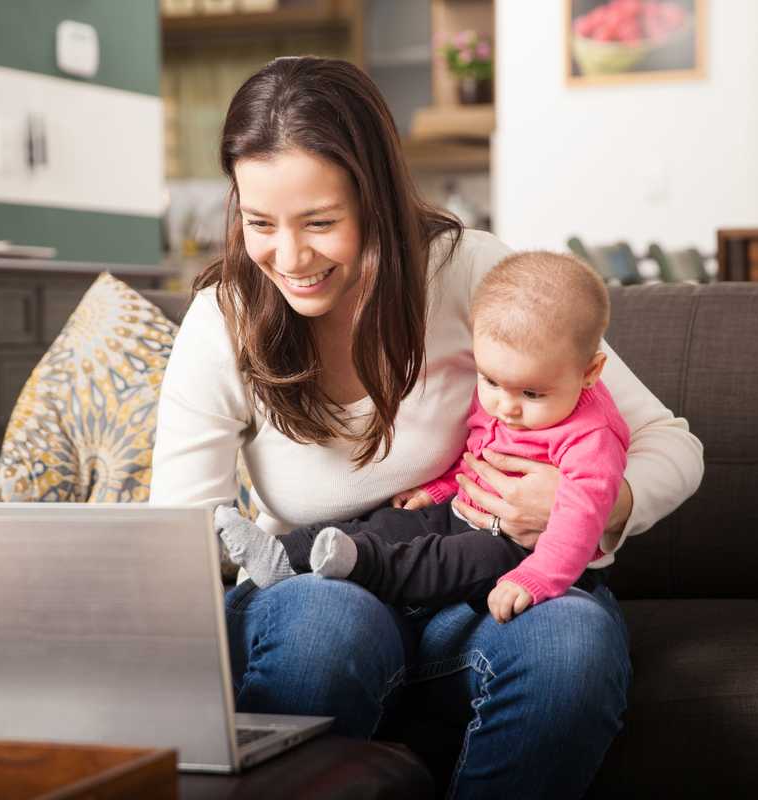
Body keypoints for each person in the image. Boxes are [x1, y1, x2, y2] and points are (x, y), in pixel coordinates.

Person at [150, 56, 703, 798]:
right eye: (260, 223)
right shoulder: (227, 322)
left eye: (321, 222)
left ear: (375, 198)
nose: (290, 256)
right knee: (323, 623)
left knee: (572, 638)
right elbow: (179, 541)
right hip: (322, 596)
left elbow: (672, 443)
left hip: (477, 593)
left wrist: (596, 503)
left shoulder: (471, 271)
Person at [214, 250, 630, 626]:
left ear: (590, 372)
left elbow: (581, 520)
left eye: (532, 394)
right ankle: (283, 553)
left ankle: (359, 565)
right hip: (462, 509)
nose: (507, 407)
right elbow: (479, 454)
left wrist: (538, 577)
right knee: (385, 523)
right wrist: (441, 487)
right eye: (491, 381)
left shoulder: (592, 437)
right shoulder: (509, 388)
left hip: (523, 550)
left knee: (450, 560)